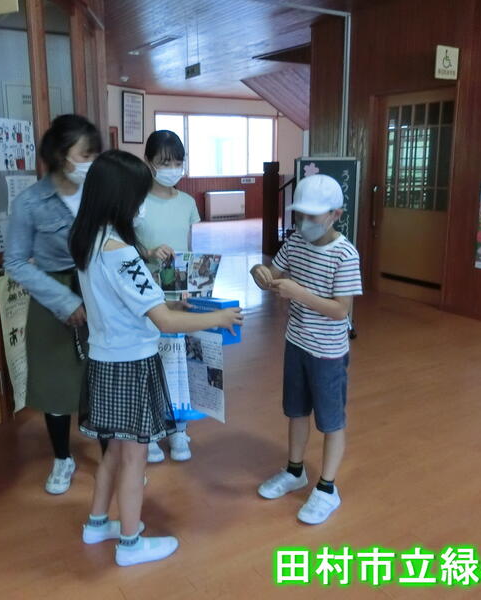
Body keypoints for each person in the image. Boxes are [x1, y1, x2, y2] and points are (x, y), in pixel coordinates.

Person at [70, 150, 242, 566]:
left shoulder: (89, 240)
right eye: (138, 193)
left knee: (114, 452)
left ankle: (97, 523)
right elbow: (164, 321)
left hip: (104, 358)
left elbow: (129, 301)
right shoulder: (120, 252)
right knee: (133, 457)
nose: (141, 202)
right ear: (121, 196)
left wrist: (166, 298)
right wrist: (218, 317)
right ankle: (131, 543)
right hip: (130, 363)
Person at [250, 174, 362, 525]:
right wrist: (259, 272)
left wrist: (298, 292)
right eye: (300, 215)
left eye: (313, 216)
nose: (304, 222)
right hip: (296, 342)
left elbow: (340, 310)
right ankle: (294, 470)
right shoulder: (296, 241)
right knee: (296, 411)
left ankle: (327, 488)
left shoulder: (345, 254)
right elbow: (272, 273)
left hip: (328, 353)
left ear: (335, 215)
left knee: (331, 421)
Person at [4, 114, 102, 495]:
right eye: (85, 154)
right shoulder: (30, 202)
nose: (91, 161)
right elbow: (14, 262)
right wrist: (64, 300)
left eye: (94, 154)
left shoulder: (100, 191)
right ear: (61, 155)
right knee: (56, 381)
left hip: (99, 286)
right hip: (53, 292)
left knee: (105, 375)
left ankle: (112, 456)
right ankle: (62, 457)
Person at [134, 130, 202, 463]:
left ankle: (178, 429)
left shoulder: (188, 203)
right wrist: (148, 252)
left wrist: (195, 281)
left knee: (178, 361)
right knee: (147, 361)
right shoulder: (135, 201)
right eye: (165, 162)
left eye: (177, 162)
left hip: (179, 294)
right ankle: (148, 431)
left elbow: (189, 248)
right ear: (148, 162)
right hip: (143, 295)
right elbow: (123, 246)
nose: (173, 169)